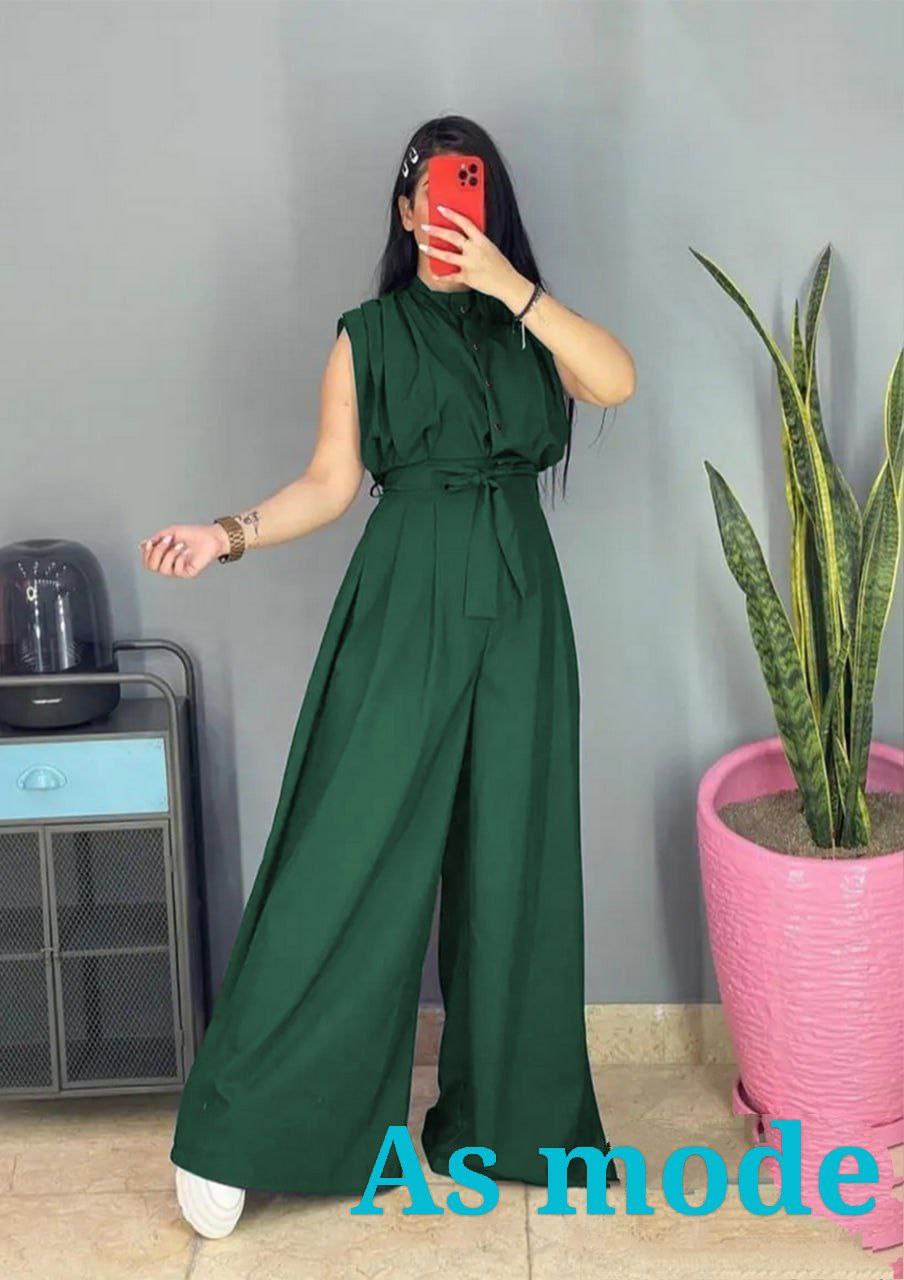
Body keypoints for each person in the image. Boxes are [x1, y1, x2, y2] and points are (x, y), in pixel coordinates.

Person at [140, 115, 636, 1239]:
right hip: (407, 593)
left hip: (521, 603)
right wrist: (225, 533)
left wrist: (510, 285)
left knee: (517, 856)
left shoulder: (532, 326)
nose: (441, 207)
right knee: (348, 848)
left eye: (465, 188)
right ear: (405, 210)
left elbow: (614, 381)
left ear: (486, 206)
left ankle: (511, 1125)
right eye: (426, 191)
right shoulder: (367, 336)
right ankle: (244, 1129)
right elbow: (330, 482)